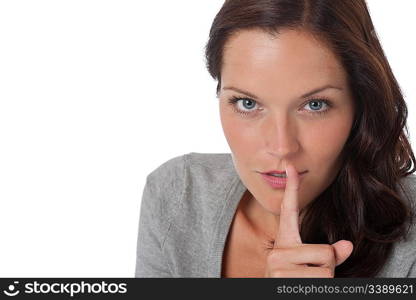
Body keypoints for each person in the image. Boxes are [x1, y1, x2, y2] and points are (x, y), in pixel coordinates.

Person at [134, 0, 416, 278]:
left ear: (361, 104)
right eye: (247, 103)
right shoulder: (179, 194)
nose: (282, 147)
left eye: (315, 105)